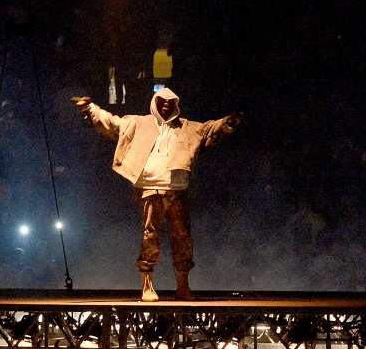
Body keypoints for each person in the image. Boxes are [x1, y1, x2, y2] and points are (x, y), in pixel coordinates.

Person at [72, 88, 242, 300]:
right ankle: (147, 285)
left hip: (177, 189)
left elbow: (210, 129)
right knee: (150, 235)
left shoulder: (186, 127)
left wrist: (228, 122)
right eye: (162, 101)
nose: (166, 105)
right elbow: (112, 123)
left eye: (170, 103)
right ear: (155, 102)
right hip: (149, 188)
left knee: (183, 237)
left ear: (175, 106)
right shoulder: (138, 123)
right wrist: (90, 108)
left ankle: (182, 285)